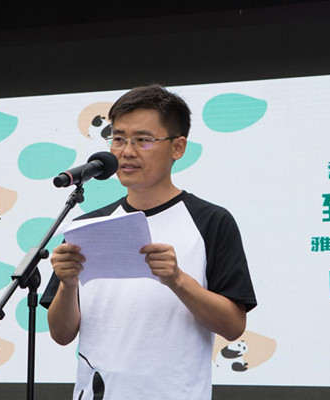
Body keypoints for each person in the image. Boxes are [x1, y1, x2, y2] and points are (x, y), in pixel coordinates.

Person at [40, 85, 257, 400]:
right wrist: (68, 284)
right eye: (118, 139)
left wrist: (177, 280)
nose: (127, 151)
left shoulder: (211, 221)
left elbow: (233, 326)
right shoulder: (89, 225)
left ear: (178, 147)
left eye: (142, 139)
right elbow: (61, 334)